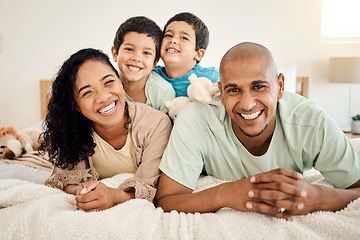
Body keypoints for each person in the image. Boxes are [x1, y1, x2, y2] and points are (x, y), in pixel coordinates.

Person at [155, 42, 360, 221]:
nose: (247, 104)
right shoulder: (195, 118)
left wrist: (318, 197)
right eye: (234, 90)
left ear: (280, 86)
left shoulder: (311, 122)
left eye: (259, 86)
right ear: (222, 93)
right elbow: (167, 200)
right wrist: (226, 193)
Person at [40, 48, 172, 212]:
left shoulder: (156, 123)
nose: (103, 97)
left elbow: (151, 189)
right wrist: (85, 192)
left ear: (120, 80)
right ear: (76, 106)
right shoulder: (71, 132)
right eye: (87, 92)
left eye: (108, 82)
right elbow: (64, 181)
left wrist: (113, 196)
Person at [111, 16, 175, 113]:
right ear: (115, 53)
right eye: (129, 49)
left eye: (146, 53)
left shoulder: (163, 92)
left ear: (155, 62)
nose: (136, 58)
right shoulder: (108, 88)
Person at [153, 12, 219, 97]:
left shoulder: (211, 77)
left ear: (198, 54)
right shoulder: (150, 75)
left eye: (184, 38)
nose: (173, 40)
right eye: (168, 35)